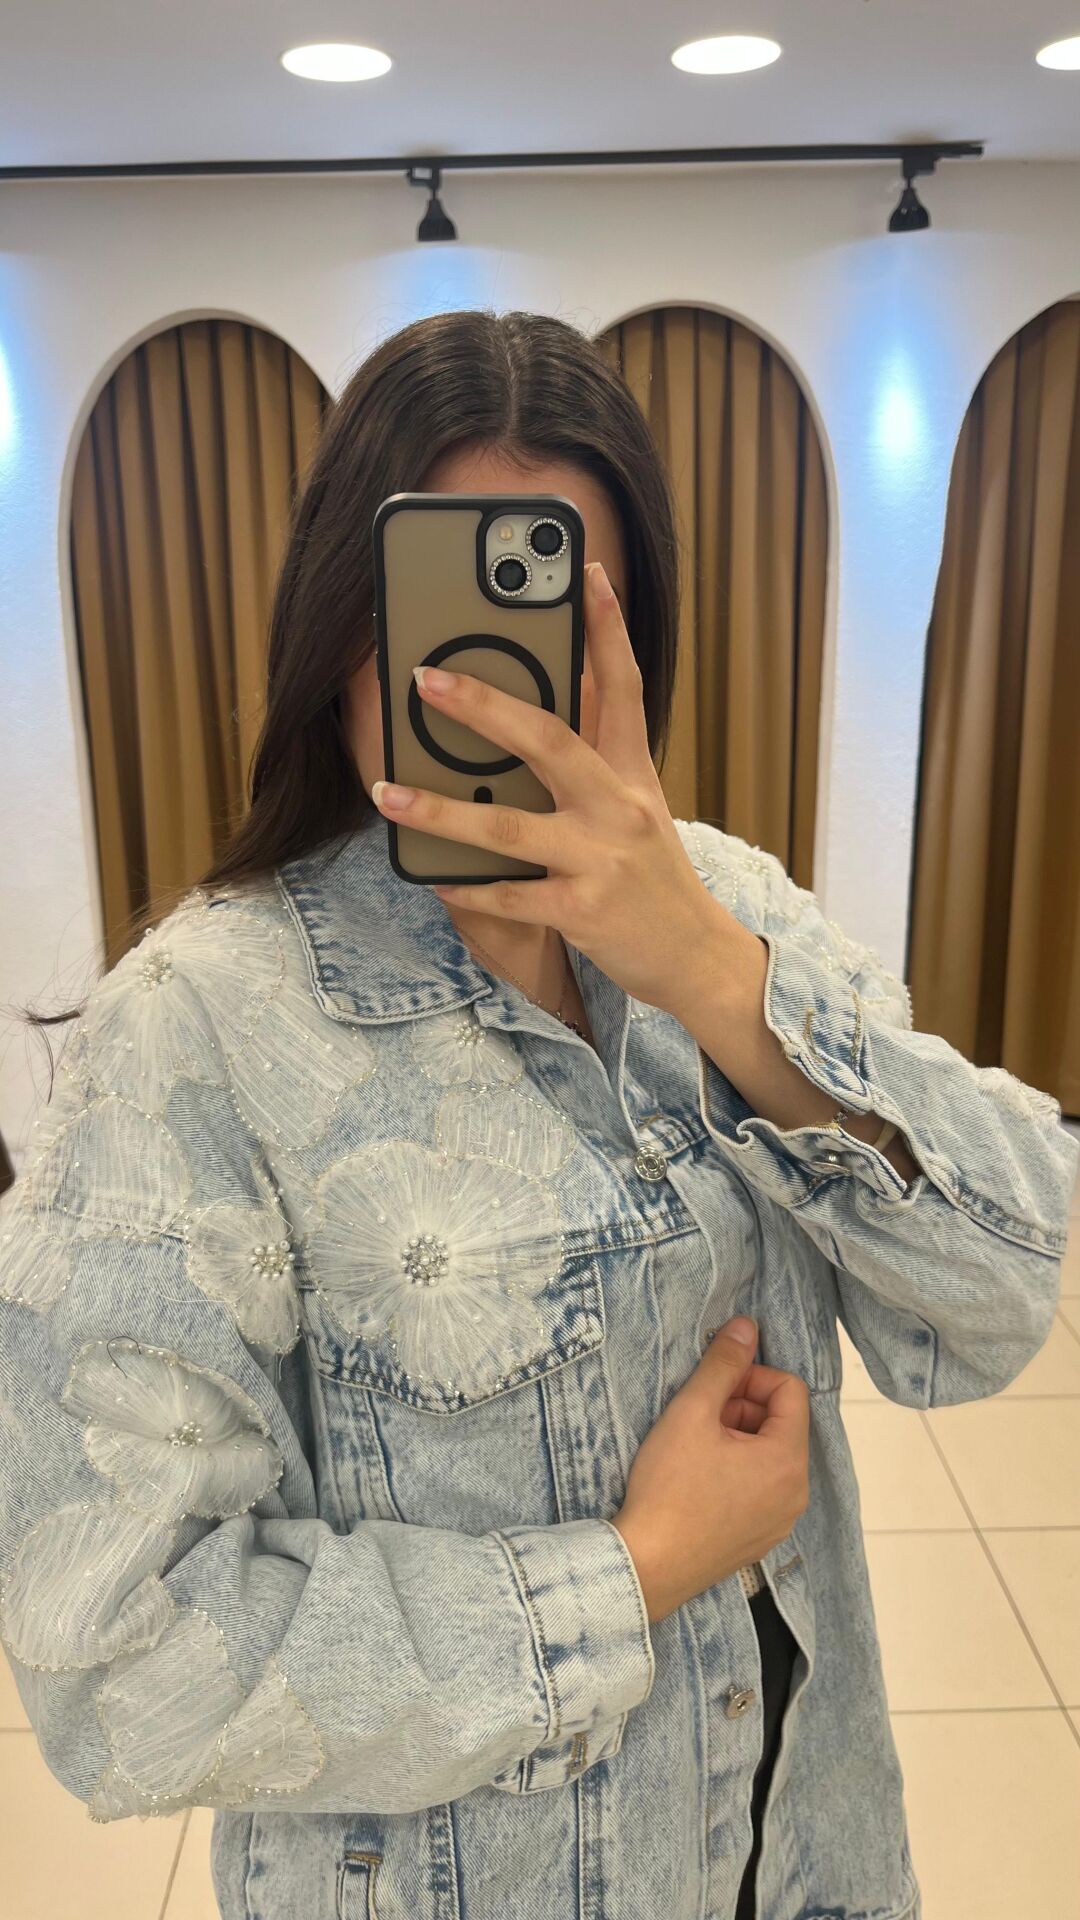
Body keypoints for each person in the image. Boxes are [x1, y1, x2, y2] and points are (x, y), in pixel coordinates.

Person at [1, 309, 1077, 1920]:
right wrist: (632, 1572)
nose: (481, 684)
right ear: (336, 637)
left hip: (809, 1861)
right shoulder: (201, 1024)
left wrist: (713, 976)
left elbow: (1001, 1295)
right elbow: (114, 1664)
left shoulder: (731, 913)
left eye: (552, 615)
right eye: (429, 615)